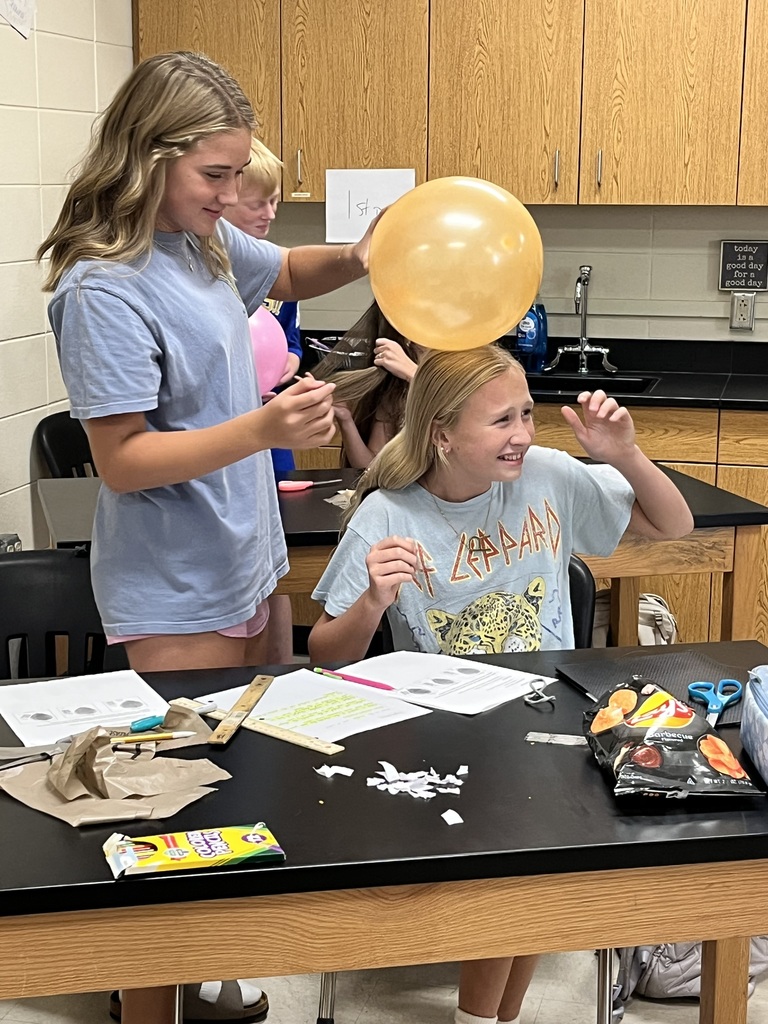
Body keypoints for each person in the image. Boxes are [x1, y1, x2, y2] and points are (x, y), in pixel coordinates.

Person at [37, 50, 376, 1024]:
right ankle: (147, 1001)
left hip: (247, 560)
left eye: (239, 176)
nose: (232, 196)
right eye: (214, 177)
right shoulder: (103, 286)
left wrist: (364, 254)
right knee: (167, 834)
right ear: (146, 159)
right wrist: (265, 429)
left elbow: (294, 267)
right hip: (174, 586)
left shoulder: (207, 243)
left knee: (235, 807)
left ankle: (206, 983)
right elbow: (124, 458)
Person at [308, 344, 693, 1024]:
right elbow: (326, 653)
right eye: (500, 421)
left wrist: (625, 453)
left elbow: (674, 524)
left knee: (533, 874)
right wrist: (370, 600)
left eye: (525, 413)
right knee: (517, 868)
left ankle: (492, 1019)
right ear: (443, 434)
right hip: (450, 736)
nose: (522, 434)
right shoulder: (389, 513)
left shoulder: (546, 475)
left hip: (551, 722)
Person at [223, 138, 301, 663]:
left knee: (277, 570)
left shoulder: (271, 274)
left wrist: (287, 365)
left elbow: (287, 345)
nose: (270, 213)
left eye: (277, 202)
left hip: (270, 443)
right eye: (258, 202)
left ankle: (282, 666)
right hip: (230, 448)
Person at [313, 300, 422, 468]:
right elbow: (371, 467)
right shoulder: (397, 388)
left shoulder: (463, 370)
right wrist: (346, 419)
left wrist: (414, 375)